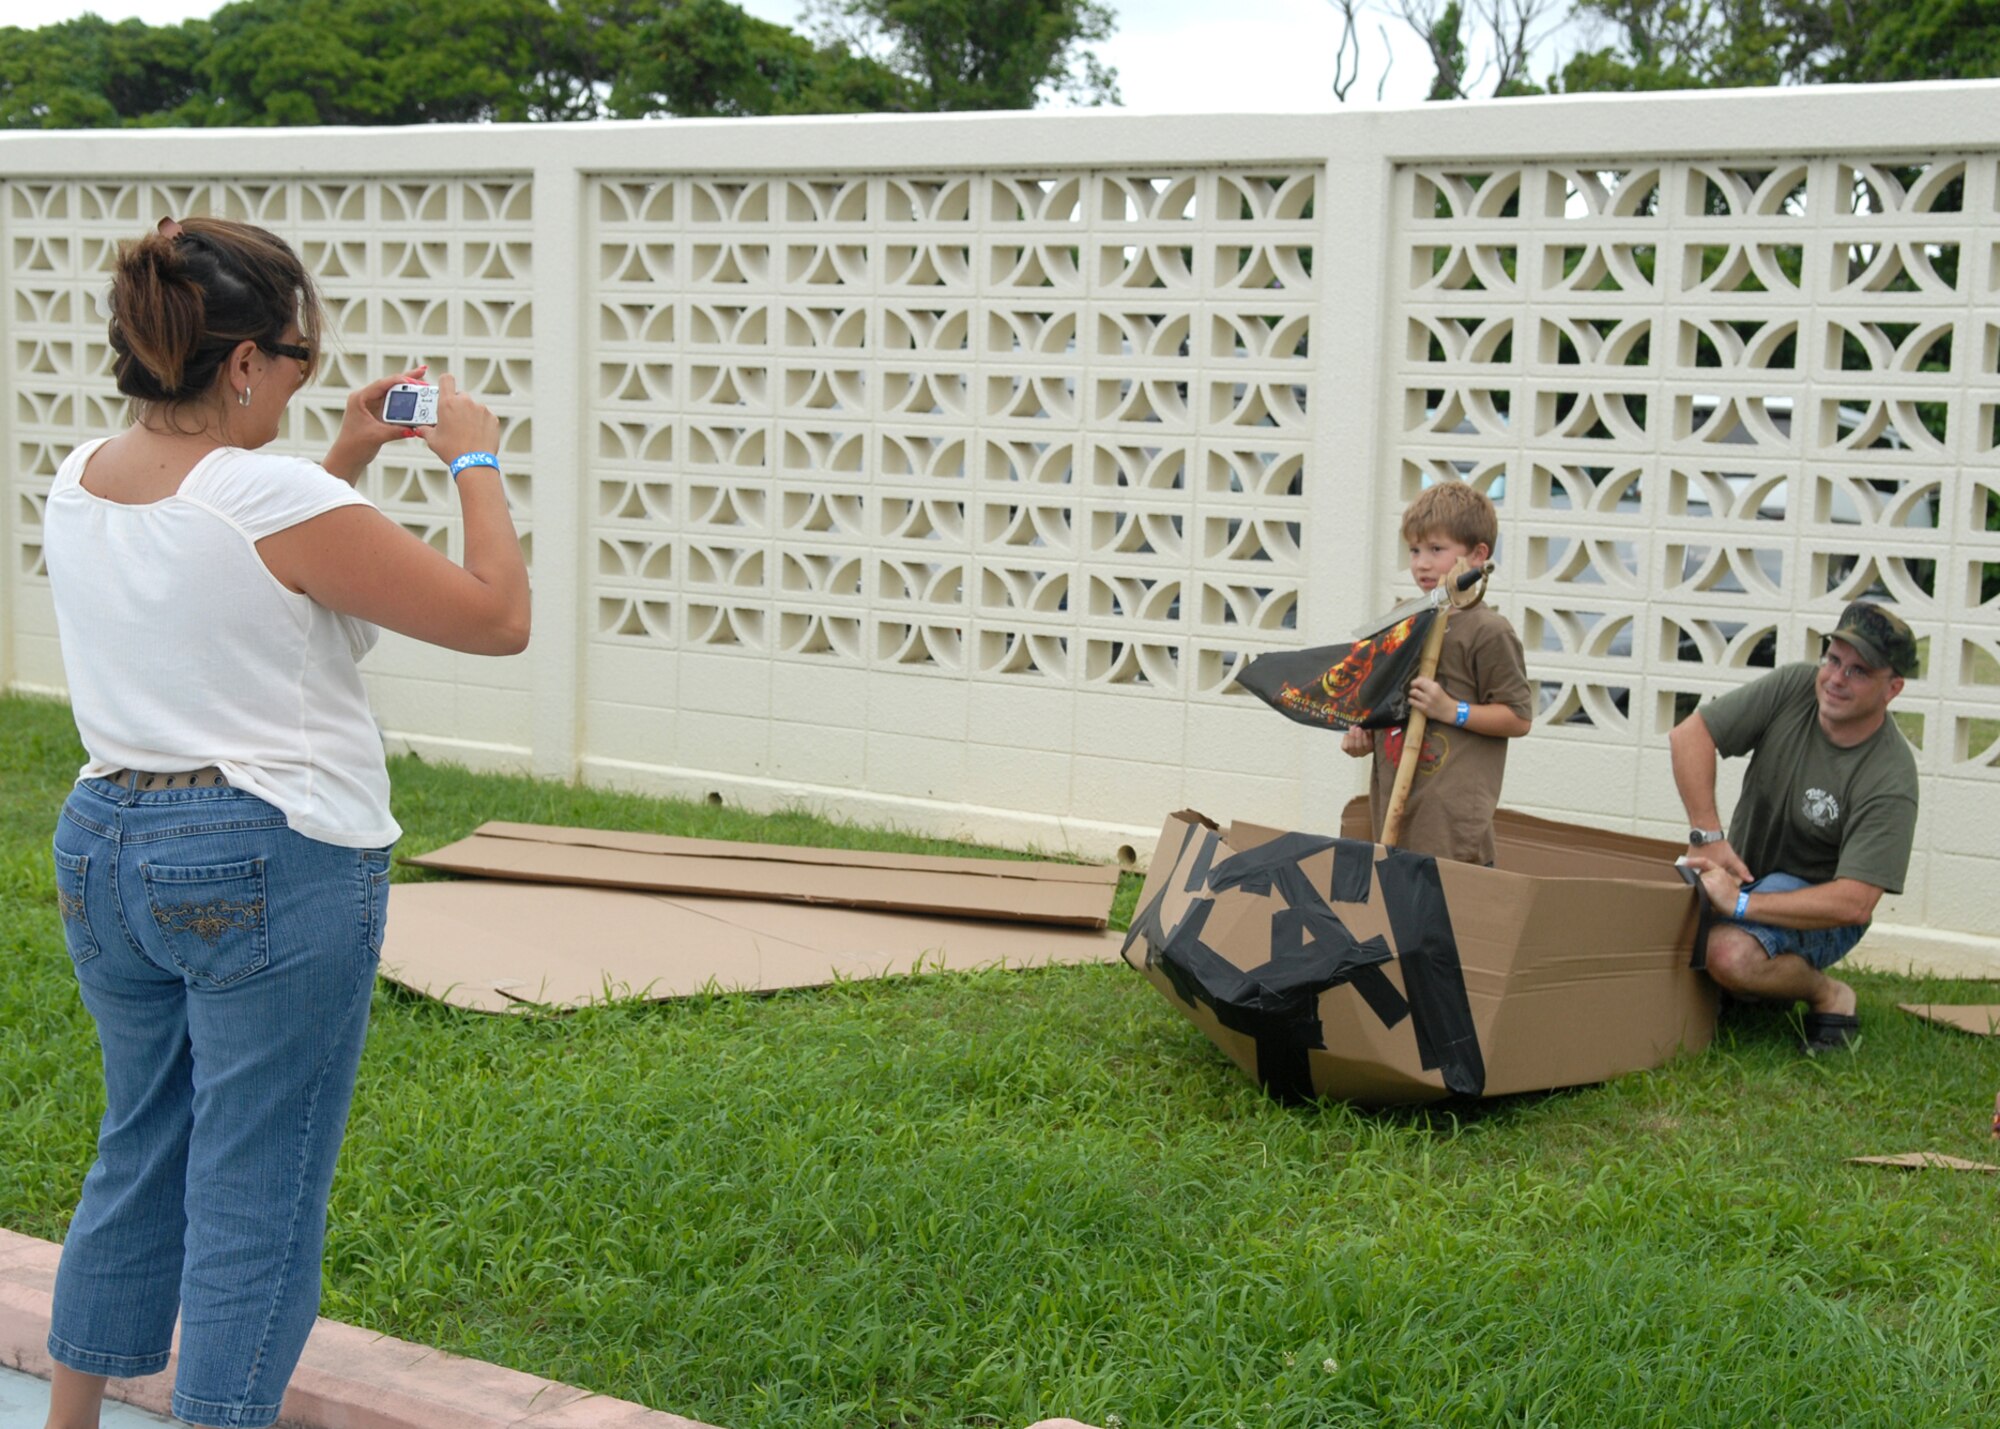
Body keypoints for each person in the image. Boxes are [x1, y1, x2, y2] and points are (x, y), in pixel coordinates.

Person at [41, 215, 530, 1429]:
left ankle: (65, 1420)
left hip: (106, 841)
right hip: (265, 855)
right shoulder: (266, 493)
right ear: (247, 362)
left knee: (138, 1149)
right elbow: (492, 616)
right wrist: (473, 460)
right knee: (258, 1192)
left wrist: (345, 453)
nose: (309, 375)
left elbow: (251, 560)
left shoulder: (85, 470)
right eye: (301, 357)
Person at [1669, 601, 1920, 1055]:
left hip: (1818, 908)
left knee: (1726, 955)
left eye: (1859, 671)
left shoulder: (1891, 778)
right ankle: (1752, 987)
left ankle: (1829, 995)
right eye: (1833, 659)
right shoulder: (1793, 686)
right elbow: (1690, 735)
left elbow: (1855, 903)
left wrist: (1741, 903)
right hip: (1747, 875)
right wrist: (1709, 837)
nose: (1836, 679)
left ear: (1893, 688)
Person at [1341, 482, 1533, 864]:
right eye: (1414, 550)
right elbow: (1387, 705)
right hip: (1394, 814)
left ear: (1478, 555)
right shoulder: (1405, 621)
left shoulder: (1488, 631)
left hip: (1453, 830)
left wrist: (1453, 710)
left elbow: (1518, 717)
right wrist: (1362, 735)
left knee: (1449, 919)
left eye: (1436, 550)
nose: (1421, 563)